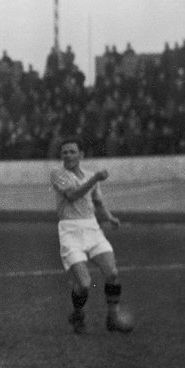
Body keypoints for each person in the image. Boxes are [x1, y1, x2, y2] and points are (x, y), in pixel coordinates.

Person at [51, 138, 125, 334]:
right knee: (84, 284)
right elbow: (73, 195)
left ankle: (113, 317)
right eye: (64, 152)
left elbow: (98, 203)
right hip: (70, 232)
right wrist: (95, 180)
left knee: (113, 274)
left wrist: (109, 218)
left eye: (72, 152)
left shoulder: (91, 175)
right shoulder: (57, 175)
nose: (68, 155)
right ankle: (78, 313)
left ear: (81, 155)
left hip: (92, 228)